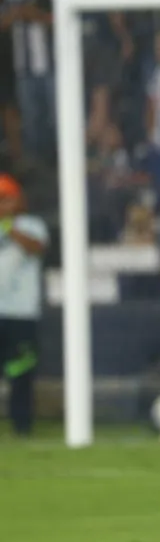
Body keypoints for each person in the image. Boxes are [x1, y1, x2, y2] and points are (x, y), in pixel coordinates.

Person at [0, 173, 47, 437]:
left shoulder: (31, 224)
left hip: (22, 314)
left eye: (6, 199)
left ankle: (22, 426)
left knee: (21, 374)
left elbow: (36, 247)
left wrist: (10, 227)